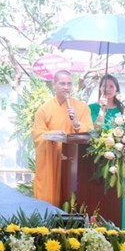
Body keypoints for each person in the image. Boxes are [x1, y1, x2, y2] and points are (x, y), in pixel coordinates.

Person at [32, 69, 93, 207]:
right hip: (52, 158)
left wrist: (76, 122)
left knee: (72, 195)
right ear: (54, 84)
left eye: (69, 84)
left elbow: (90, 132)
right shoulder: (44, 109)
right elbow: (37, 134)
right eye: (62, 83)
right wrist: (53, 134)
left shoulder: (82, 108)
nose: (66, 87)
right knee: (49, 196)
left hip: (73, 161)